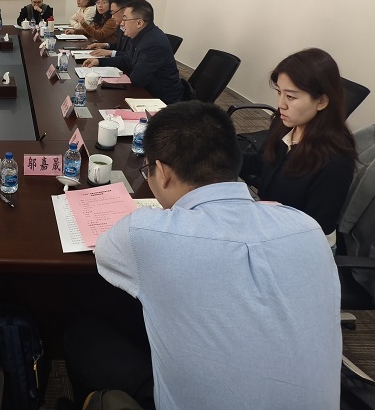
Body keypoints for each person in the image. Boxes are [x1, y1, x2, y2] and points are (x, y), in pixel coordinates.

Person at [64, 101, 342, 410]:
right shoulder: (307, 229)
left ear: (162, 172)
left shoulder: (144, 233)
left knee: (81, 330)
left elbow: (103, 252)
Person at [240, 48, 357, 243]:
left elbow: (314, 229)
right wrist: (218, 155)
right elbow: (262, 162)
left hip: (299, 242)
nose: (281, 105)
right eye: (279, 92)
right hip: (268, 222)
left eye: (291, 97)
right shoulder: (283, 125)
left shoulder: (336, 161)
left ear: (321, 101)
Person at [83, 0, 183, 104]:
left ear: (139, 23)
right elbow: (127, 59)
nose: (122, 23)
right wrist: (99, 62)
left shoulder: (153, 43)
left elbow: (137, 78)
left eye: (125, 19)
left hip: (161, 100)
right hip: (146, 91)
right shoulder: (141, 35)